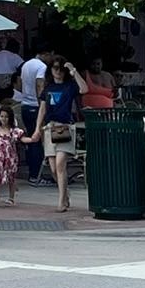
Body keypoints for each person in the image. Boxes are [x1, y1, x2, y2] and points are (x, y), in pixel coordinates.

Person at [27, 58, 82, 213]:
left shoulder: (70, 86)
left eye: (60, 68)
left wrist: (74, 70)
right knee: (52, 167)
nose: (58, 71)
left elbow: (84, 89)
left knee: (60, 164)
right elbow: (42, 109)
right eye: (55, 68)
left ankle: (61, 202)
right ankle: (65, 194)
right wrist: (37, 128)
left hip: (64, 126)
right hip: (50, 127)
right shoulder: (48, 88)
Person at [18, 45, 47, 184]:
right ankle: (36, 175)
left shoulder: (25, 65)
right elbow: (39, 85)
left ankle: (32, 172)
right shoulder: (41, 66)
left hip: (25, 105)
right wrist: (41, 103)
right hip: (35, 106)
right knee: (37, 141)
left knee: (30, 140)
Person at [0, 104, 24, 206]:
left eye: (6, 117)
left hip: (10, 157)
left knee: (11, 176)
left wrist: (32, 139)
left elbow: (22, 138)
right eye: (2, 116)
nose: (4, 119)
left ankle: (11, 198)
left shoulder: (13, 130)